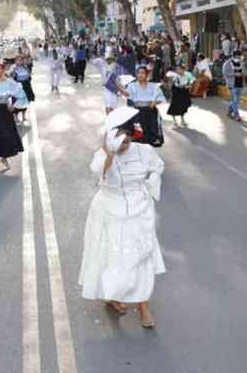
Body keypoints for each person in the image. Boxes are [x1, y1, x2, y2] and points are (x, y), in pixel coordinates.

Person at [78, 108, 165, 329]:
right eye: (119, 142)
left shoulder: (144, 151)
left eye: (127, 141)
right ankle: (112, 295)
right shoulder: (103, 155)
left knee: (141, 256)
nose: (124, 147)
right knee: (112, 256)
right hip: (109, 210)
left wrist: (149, 186)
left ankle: (144, 306)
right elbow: (100, 175)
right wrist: (110, 154)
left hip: (140, 211)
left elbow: (157, 168)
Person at [120, 66, 166, 147]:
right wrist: (119, 86)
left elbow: (161, 97)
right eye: (139, 73)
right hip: (137, 110)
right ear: (136, 74)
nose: (140, 75)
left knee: (152, 131)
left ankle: (153, 140)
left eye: (143, 73)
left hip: (150, 109)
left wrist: (155, 102)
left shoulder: (153, 86)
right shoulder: (132, 85)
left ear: (147, 75)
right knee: (136, 133)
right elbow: (127, 94)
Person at [222, 50, 247, 122]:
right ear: (234, 56)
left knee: (236, 100)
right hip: (232, 84)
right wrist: (234, 74)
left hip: (240, 83)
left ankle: (229, 112)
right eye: (238, 56)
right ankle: (236, 115)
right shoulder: (227, 64)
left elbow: (246, 72)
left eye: (240, 57)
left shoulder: (241, 62)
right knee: (235, 100)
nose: (239, 58)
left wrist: (243, 74)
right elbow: (225, 74)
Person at [166, 64, 194, 128]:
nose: (178, 70)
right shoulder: (175, 76)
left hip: (184, 92)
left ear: (183, 69)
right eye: (177, 69)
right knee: (174, 106)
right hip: (177, 92)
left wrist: (189, 85)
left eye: (180, 69)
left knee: (183, 106)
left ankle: (182, 120)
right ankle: (174, 121)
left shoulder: (188, 75)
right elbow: (174, 84)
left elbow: (191, 81)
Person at [10, 56, 34, 124]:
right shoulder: (13, 67)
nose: (19, 61)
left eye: (20, 60)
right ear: (15, 61)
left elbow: (29, 75)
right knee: (15, 102)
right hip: (17, 87)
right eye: (17, 60)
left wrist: (28, 76)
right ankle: (15, 117)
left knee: (25, 102)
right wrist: (13, 72)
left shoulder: (25, 67)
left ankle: (24, 117)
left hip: (25, 86)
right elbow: (11, 76)